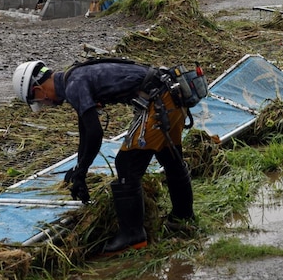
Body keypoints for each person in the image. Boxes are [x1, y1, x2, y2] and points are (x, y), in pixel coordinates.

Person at [12, 59, 195, 255]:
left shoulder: (74, 85)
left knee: (126, 164)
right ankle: (182, 218)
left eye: (38, 100)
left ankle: (132, 236)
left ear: (38, 89)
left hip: (160, 101)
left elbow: (94, 133)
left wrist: (82, 172)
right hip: (170, 94)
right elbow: (85, 129)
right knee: (170, 159)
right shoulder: (74, 77)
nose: (45, 104)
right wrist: (79, 168)